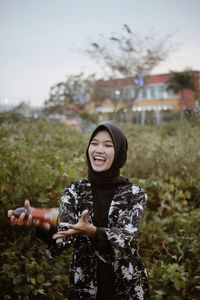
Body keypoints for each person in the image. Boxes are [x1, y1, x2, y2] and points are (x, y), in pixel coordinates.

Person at [11, 123, 149, 300]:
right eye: (94, 143)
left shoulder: (134, 193)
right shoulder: (74, 190)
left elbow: (125, 236)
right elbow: (64, 236)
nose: (99, 149)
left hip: (126, 286)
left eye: (108, 145)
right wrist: (43, 226)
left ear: (120, 153)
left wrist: (92, 231)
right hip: (84, 287)